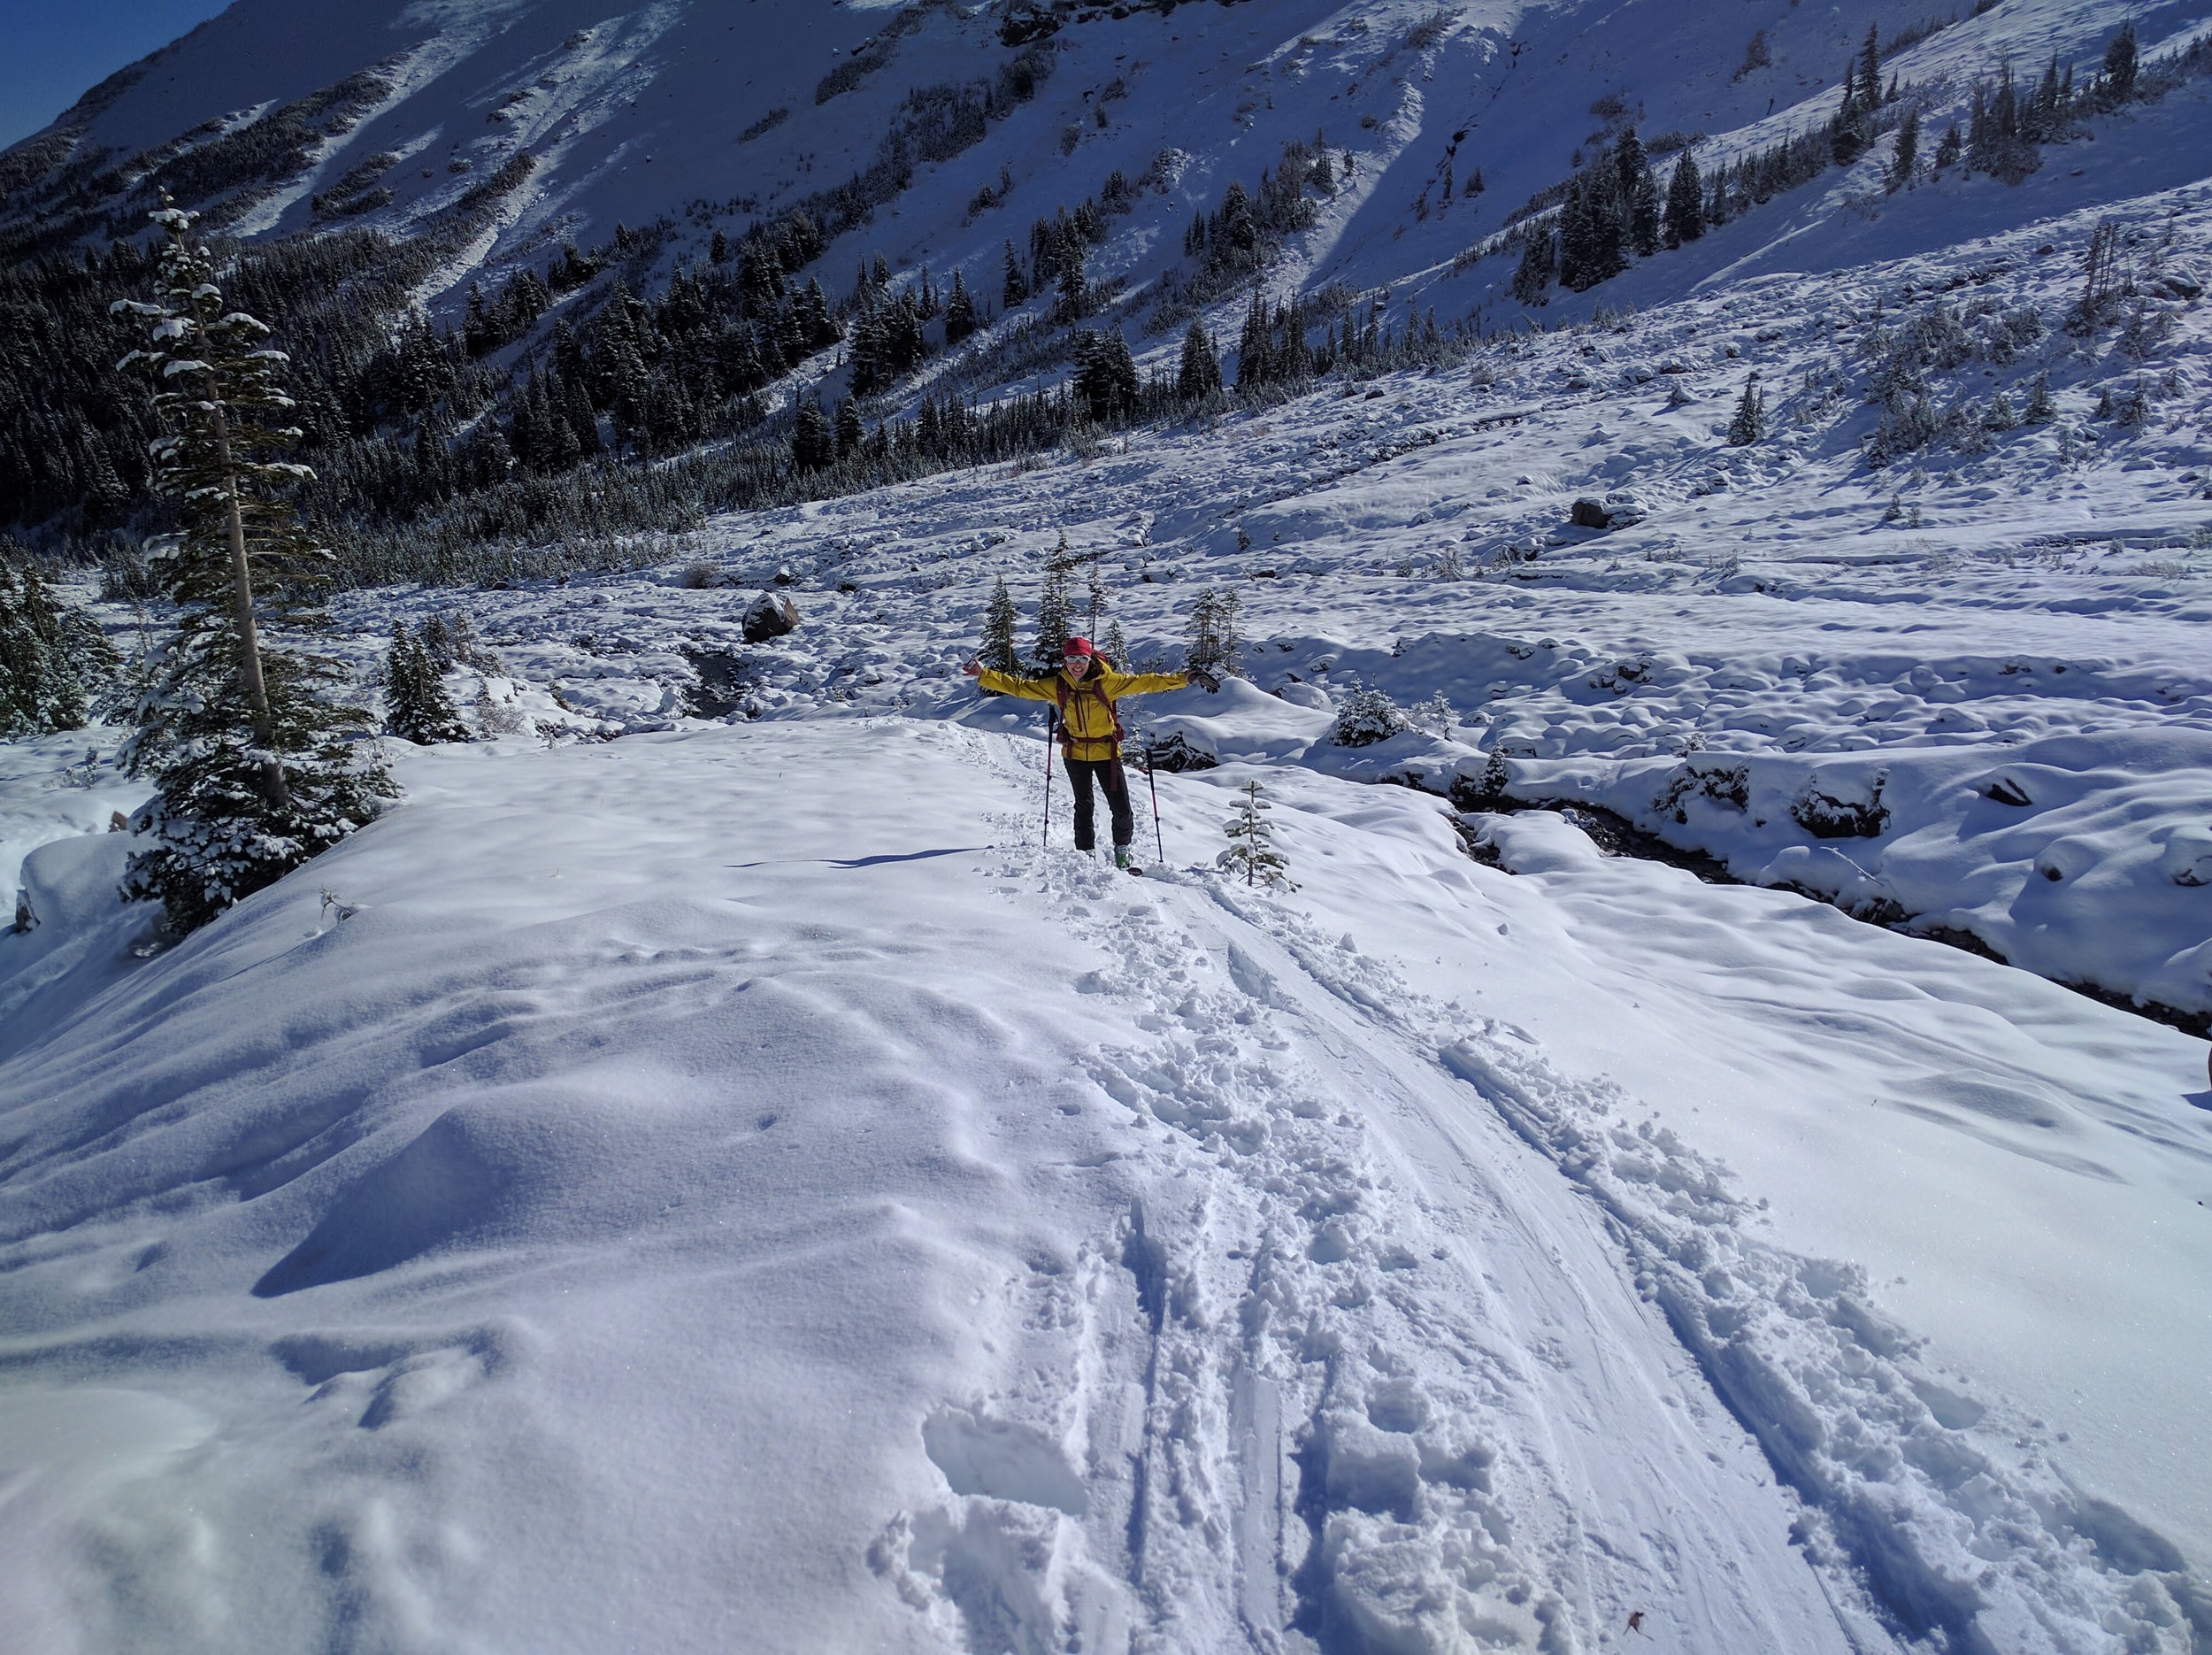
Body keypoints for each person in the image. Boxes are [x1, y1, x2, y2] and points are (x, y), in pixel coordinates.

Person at [963, 637, 1199, 867]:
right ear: (1065, 660)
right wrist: (984, 675)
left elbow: (1148, 682)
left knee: (1121, 808)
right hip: (1075, 753)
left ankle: (1122, 849)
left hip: (1107, 752)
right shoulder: (1058, 685)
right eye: (1072, 658)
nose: (1077, 664)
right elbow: (1022, 687)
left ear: (1089, 659)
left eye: (1082, 658)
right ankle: (1085, 853)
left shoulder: (1108, 681)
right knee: (1083, 806)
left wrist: (1185, 678)